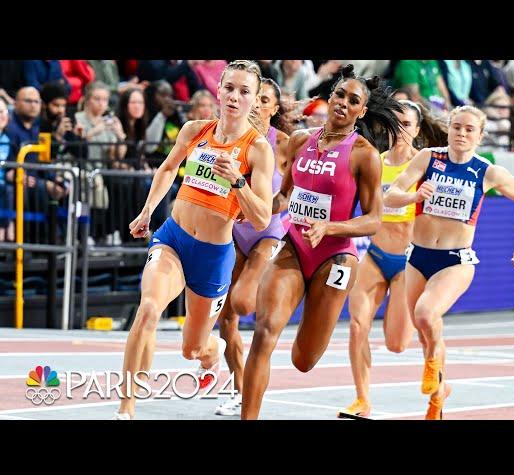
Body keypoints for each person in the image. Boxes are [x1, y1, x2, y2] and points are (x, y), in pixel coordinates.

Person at [113, 60, 275, 419]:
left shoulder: (258, 149)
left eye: (244, 91)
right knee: (149, 309)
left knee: (192, 349)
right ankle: (126, 408)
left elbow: (262, 216)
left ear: (253, 100)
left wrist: (238, 181)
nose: (234, 96)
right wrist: (147, 211)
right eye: (229, 88)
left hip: (213, 255)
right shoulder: (195, 130)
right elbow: (169, 167)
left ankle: (211, 350)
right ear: (218, 89)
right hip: (174, 237)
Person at [241, 64, 404, 419]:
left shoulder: (364, 155)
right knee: (265, 331)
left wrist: (329, 228)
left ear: (362, 110)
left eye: (353, 100)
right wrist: (251, 208)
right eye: (340, 95)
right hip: (293, 247)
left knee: (304, 359)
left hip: (335, 259)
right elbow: (282, 199)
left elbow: (374, 219)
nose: (344, 103)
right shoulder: (301, 140)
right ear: (330, 98)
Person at [383, 105, 514, 419]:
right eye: (457, 127)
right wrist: (414, 196)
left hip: (455, 260)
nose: (461, 134)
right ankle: (438, 397)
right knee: (425, 332)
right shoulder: (428, 158)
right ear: (448, 129)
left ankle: (434, 367)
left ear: (479, 136)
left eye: (469, 129)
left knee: (425, 314)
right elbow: (390, 195)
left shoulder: (486, 170)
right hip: (418, 256)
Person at [339, 99, 448, 418]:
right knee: (357, 324)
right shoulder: (376, 161)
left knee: (398, 344)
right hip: (374, 255)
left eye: (407, 124)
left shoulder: (424, 165)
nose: (400, 129)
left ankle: (441, 384)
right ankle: (362, 400)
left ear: (416, 130)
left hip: (407, 263)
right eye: (395, 122)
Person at [213, 78, 290, 416]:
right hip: (236, 231)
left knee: (243, 302)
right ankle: (240, 387)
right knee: (225, 318)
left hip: (268, 233)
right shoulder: (233, 137)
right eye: (252, 98)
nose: (256, 104)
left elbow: (295, 193)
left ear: (274, 108)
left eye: (264, 100)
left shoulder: (284, 144)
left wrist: (268, 207)